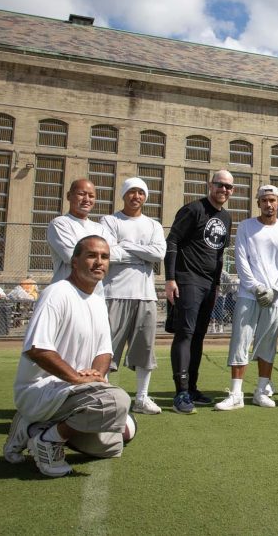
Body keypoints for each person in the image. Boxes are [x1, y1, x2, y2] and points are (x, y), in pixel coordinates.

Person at [2, 235, 132, 478]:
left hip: (77, 391)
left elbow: (104, 352)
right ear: (74, 261)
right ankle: (47, 440)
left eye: (104, 257)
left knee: (121, 437)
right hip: (42, 390)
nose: (99, 262)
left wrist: (95, 375)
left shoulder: (97, 301)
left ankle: (32, 428)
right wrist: (75, 378)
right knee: (117, 402)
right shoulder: (57, 293)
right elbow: (37, 349)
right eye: (92, 255)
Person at [214, 185, 278, 411]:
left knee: (267, 344)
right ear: (258, 202)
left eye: (272, 200)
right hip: (247, 296)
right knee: (240, 342)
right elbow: (241, 260)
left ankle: (261, 391)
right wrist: (255, 288)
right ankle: (235, 394)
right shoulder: (245, 227)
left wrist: (275, 291)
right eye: (264, 200)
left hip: (275, 298)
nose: (268, 204)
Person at [165, 169, 234, 414]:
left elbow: (218, 255)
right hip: (187, 280)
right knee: (185, 333)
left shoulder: (226, 218)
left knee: (199, 336)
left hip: (209, 285)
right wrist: (170, 279)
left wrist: (216, 285)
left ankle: (192, 387)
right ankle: (181, 392)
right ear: (210, 185)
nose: (223, 190)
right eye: (219, 185)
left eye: (228, 187)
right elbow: (172, 241)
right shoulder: (193, 210)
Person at [101, 177, 167, 415]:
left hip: (145, 296)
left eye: (140, 192)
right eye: (132, 192)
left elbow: (159, 254)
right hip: (114, 294)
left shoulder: (154, 225)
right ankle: (103, 397)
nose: (136, 196)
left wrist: (125, 245)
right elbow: (109, 252)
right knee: (106, 349)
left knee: (145, 349)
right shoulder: (109, 221)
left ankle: (141, 398)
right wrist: (142, 255)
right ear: (124, 195)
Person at [47, 179, 107, 285]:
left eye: (91, 196)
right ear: (69, 196)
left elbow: (117, 254)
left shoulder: (99, 228)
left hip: (95, 293)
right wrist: (103, 256)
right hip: (67, 290)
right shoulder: (60, 224)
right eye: (81, 194)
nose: (86, 199)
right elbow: (71, 256)